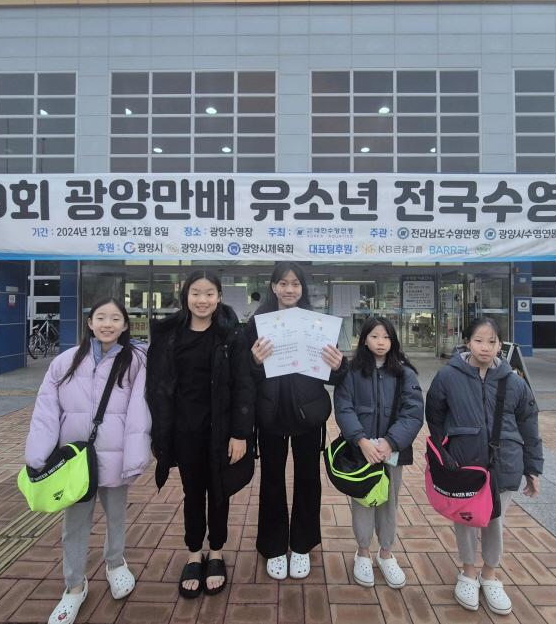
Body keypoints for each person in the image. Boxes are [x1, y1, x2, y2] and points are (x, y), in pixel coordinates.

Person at [25, 298, 150, 624]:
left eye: (115, 318)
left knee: (116, 516)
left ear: (126, 325)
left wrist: (135, 455)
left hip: (116, 456)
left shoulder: (136, 361)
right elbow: (46, 410)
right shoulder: (65, 361)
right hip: (76, 461)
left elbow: (140, 411)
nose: (108, 324)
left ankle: (115, 563)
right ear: (90, 323)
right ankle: (74, 585)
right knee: (75, 524)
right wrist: (38, 455)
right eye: (101, 318)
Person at [146, 270, 255, 599]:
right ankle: (194, 554)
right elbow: (156, 385)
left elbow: (244, 385)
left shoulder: (231, 335)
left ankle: (216, 552)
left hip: (221, 431)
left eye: (209, 293)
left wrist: (240, 434)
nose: (202, 300)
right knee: (192, 493)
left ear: (219, 297)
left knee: (219, 492)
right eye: (196, 293)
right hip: (184, 430)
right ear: (185, 295)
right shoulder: (169, 334)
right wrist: (159, 432)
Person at [425, 316, 543, 616]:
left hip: (505, 464)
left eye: (492, 342)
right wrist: (444, 456)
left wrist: (532, 469)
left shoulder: (514, 381)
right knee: (465, 519)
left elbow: (529, 426)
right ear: (467, 342)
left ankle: (490, 575)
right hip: (464, 464)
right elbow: (435, 418)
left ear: (501, 344)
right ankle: (467, 572)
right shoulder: (447, 377)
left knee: (495, 522)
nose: (485, 347)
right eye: (478, 340)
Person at [246, 262, 347, 580]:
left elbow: (333, 375)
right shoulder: (258, 324)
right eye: (283, 283)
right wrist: (254, 362)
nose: (289, 289)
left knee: (308, 480)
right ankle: (274, 546)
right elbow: (244, 375)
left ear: (303, 289)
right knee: (271, 481)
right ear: (273, 286)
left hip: (308, 416)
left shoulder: (316, 325)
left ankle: (302, 544)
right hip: (271, 415)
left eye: (295, 284)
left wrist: (339, 366)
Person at [333, 317, 424, 589]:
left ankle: (386, 553)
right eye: (374, 336)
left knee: (389, 502)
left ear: (393, 341)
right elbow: (344, 408)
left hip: (391, 452)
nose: (381, 342)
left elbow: (413, 413)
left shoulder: (405, 373)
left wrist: (390, 442)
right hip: (361, 451)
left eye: (386, 337)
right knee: (363, 500)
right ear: (364, 340)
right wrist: (361, 441)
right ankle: (363, 552)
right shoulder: (351, 371)